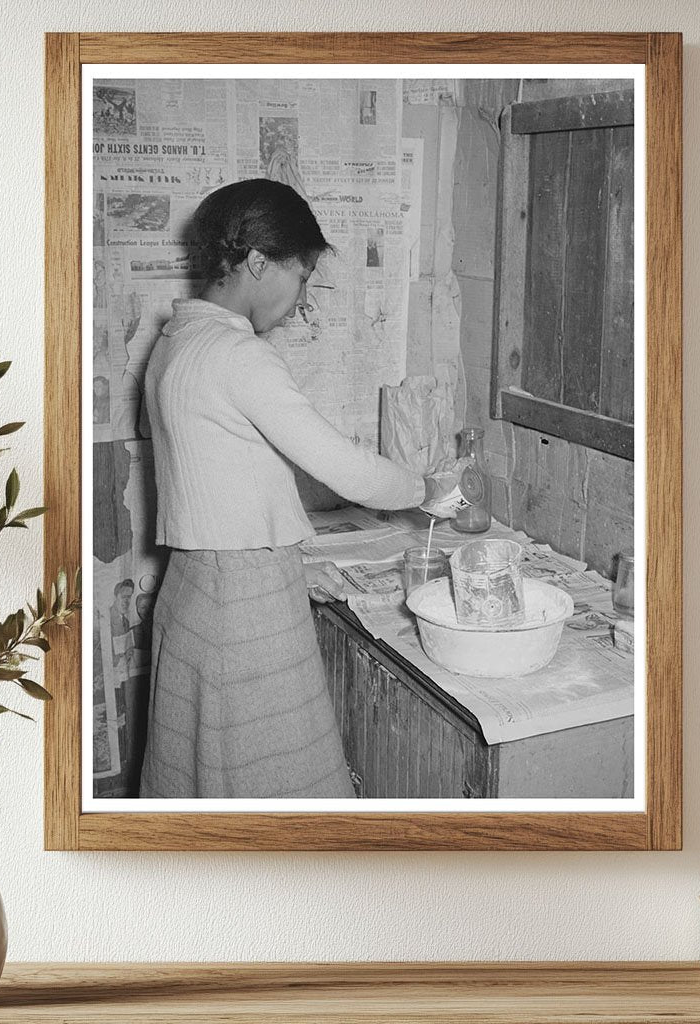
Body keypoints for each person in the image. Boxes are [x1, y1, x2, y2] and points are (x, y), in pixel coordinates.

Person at [139, 178, 451, 800]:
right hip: (245, 610)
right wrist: (429, 487)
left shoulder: (176, 343)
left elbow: (226, 476)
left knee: (206, 787)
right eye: (302, 277)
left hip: (194, 595)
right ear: (258, 262)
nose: (301, 299)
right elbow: (345, 467)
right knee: (281, 796)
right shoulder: (237, 355)